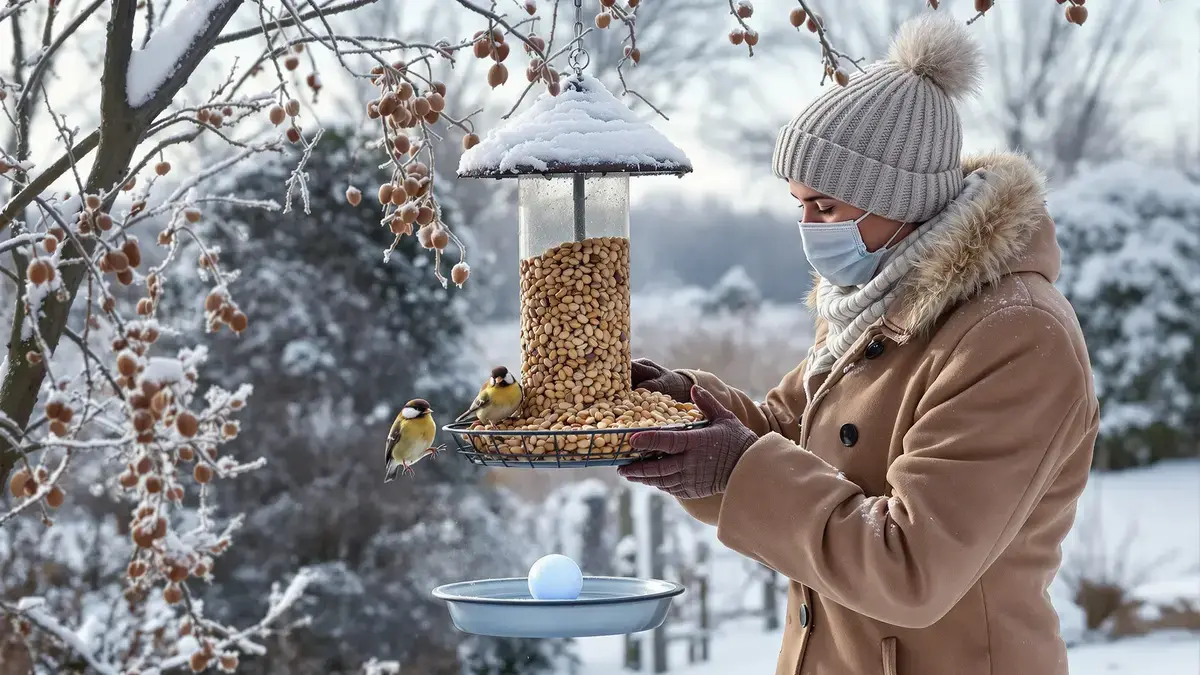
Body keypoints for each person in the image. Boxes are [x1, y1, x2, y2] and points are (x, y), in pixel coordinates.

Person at [619, 13, 1099, 675]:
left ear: (901, 200)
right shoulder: (871, 302)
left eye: (825, 207)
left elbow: (912, 564)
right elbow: (789, 433)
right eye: (799, 204)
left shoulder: (1014, 335)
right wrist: (680, 409)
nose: (807, 228)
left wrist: (735, 468)